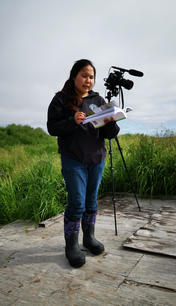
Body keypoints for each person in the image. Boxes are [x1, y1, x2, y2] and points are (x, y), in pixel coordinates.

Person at [47, 59, 120, 268]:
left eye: (91, 77)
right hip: (73, 159)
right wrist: (73, 121)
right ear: (74, 76)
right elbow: (52, 128)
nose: (88, 80)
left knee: (91, 202)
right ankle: (71, 245)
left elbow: (108, 135)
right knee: (77, 203)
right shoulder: (60, 100)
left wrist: (111, 121)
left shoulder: (98, 99)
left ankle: (88, 238)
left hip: (96, 158)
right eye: (84, 75)